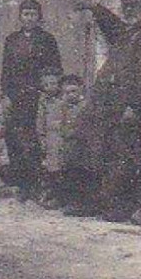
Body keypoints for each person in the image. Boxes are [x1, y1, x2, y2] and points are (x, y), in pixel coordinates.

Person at [75, 0, 141, 225]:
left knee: (136, 157)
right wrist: (94, 8)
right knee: (115, 155)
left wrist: (134, 107)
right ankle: (115, 205)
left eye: (134, 8)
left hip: (135, 110)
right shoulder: (126, 33)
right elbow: (111, 24)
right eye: (126, 8)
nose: (129, 12)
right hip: (114, 106)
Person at [0, 0, 63, 201]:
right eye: (25, 14)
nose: (29, 18)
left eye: (33, 14)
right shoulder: (11, 40)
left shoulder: (47, 40)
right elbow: (6, 70)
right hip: (18, 96)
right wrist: (7, 95)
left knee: (37, 138)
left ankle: (39, 184)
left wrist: (48, 90)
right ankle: (22, 184)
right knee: (17, 139)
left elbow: (55, 68)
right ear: (20, 17)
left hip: (38, 96)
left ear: (39, 17)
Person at [51, 74, 90, 211]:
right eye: (66, 92)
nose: (70, 95)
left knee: (80, 173)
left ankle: (80, 203)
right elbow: (58, 124)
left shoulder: (85, 106)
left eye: (73, 91)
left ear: (81, 90)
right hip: (67, 145)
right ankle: (68, 201)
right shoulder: (62, 107)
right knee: (67, 173)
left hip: (82, 146)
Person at [33, 67, 66, 206]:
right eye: (46, 85)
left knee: (63, 165)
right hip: (50, 137)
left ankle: (61, 196)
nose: (49, 87)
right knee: (51, 167)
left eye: (53, 83)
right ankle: (52, 194)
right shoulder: (43, 102)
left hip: (62, 136)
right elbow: (40, 120)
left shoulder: (64, 99)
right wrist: (41, 136)